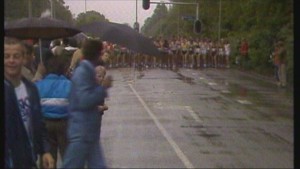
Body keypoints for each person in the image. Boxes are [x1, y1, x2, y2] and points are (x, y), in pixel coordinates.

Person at [4, 37, 54, 168]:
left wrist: (45, 150)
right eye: (6, 56)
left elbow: (39, 123)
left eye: (16, 56)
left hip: (28, 159)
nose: (11, 60)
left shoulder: (31, 89)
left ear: (23, 59)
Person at [62, 38, 113, 168]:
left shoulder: (88, 71)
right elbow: (84, 100)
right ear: (98, 54)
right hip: (82, 131)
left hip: (89, 131)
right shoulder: (82, 72)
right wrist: (103, 88)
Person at [35, 49, 72, 168]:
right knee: (68, 156)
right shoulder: (69, 84)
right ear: (62, 69)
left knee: (48, 158)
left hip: (45, 124)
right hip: (65, 124)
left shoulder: (38, 85)